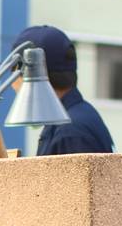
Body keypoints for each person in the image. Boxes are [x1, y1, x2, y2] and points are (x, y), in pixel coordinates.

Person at [12, 25, 115, 156]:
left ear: (31, 74)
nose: (12, 84)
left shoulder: (70, 132)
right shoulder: (70, 119)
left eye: (12, 73)